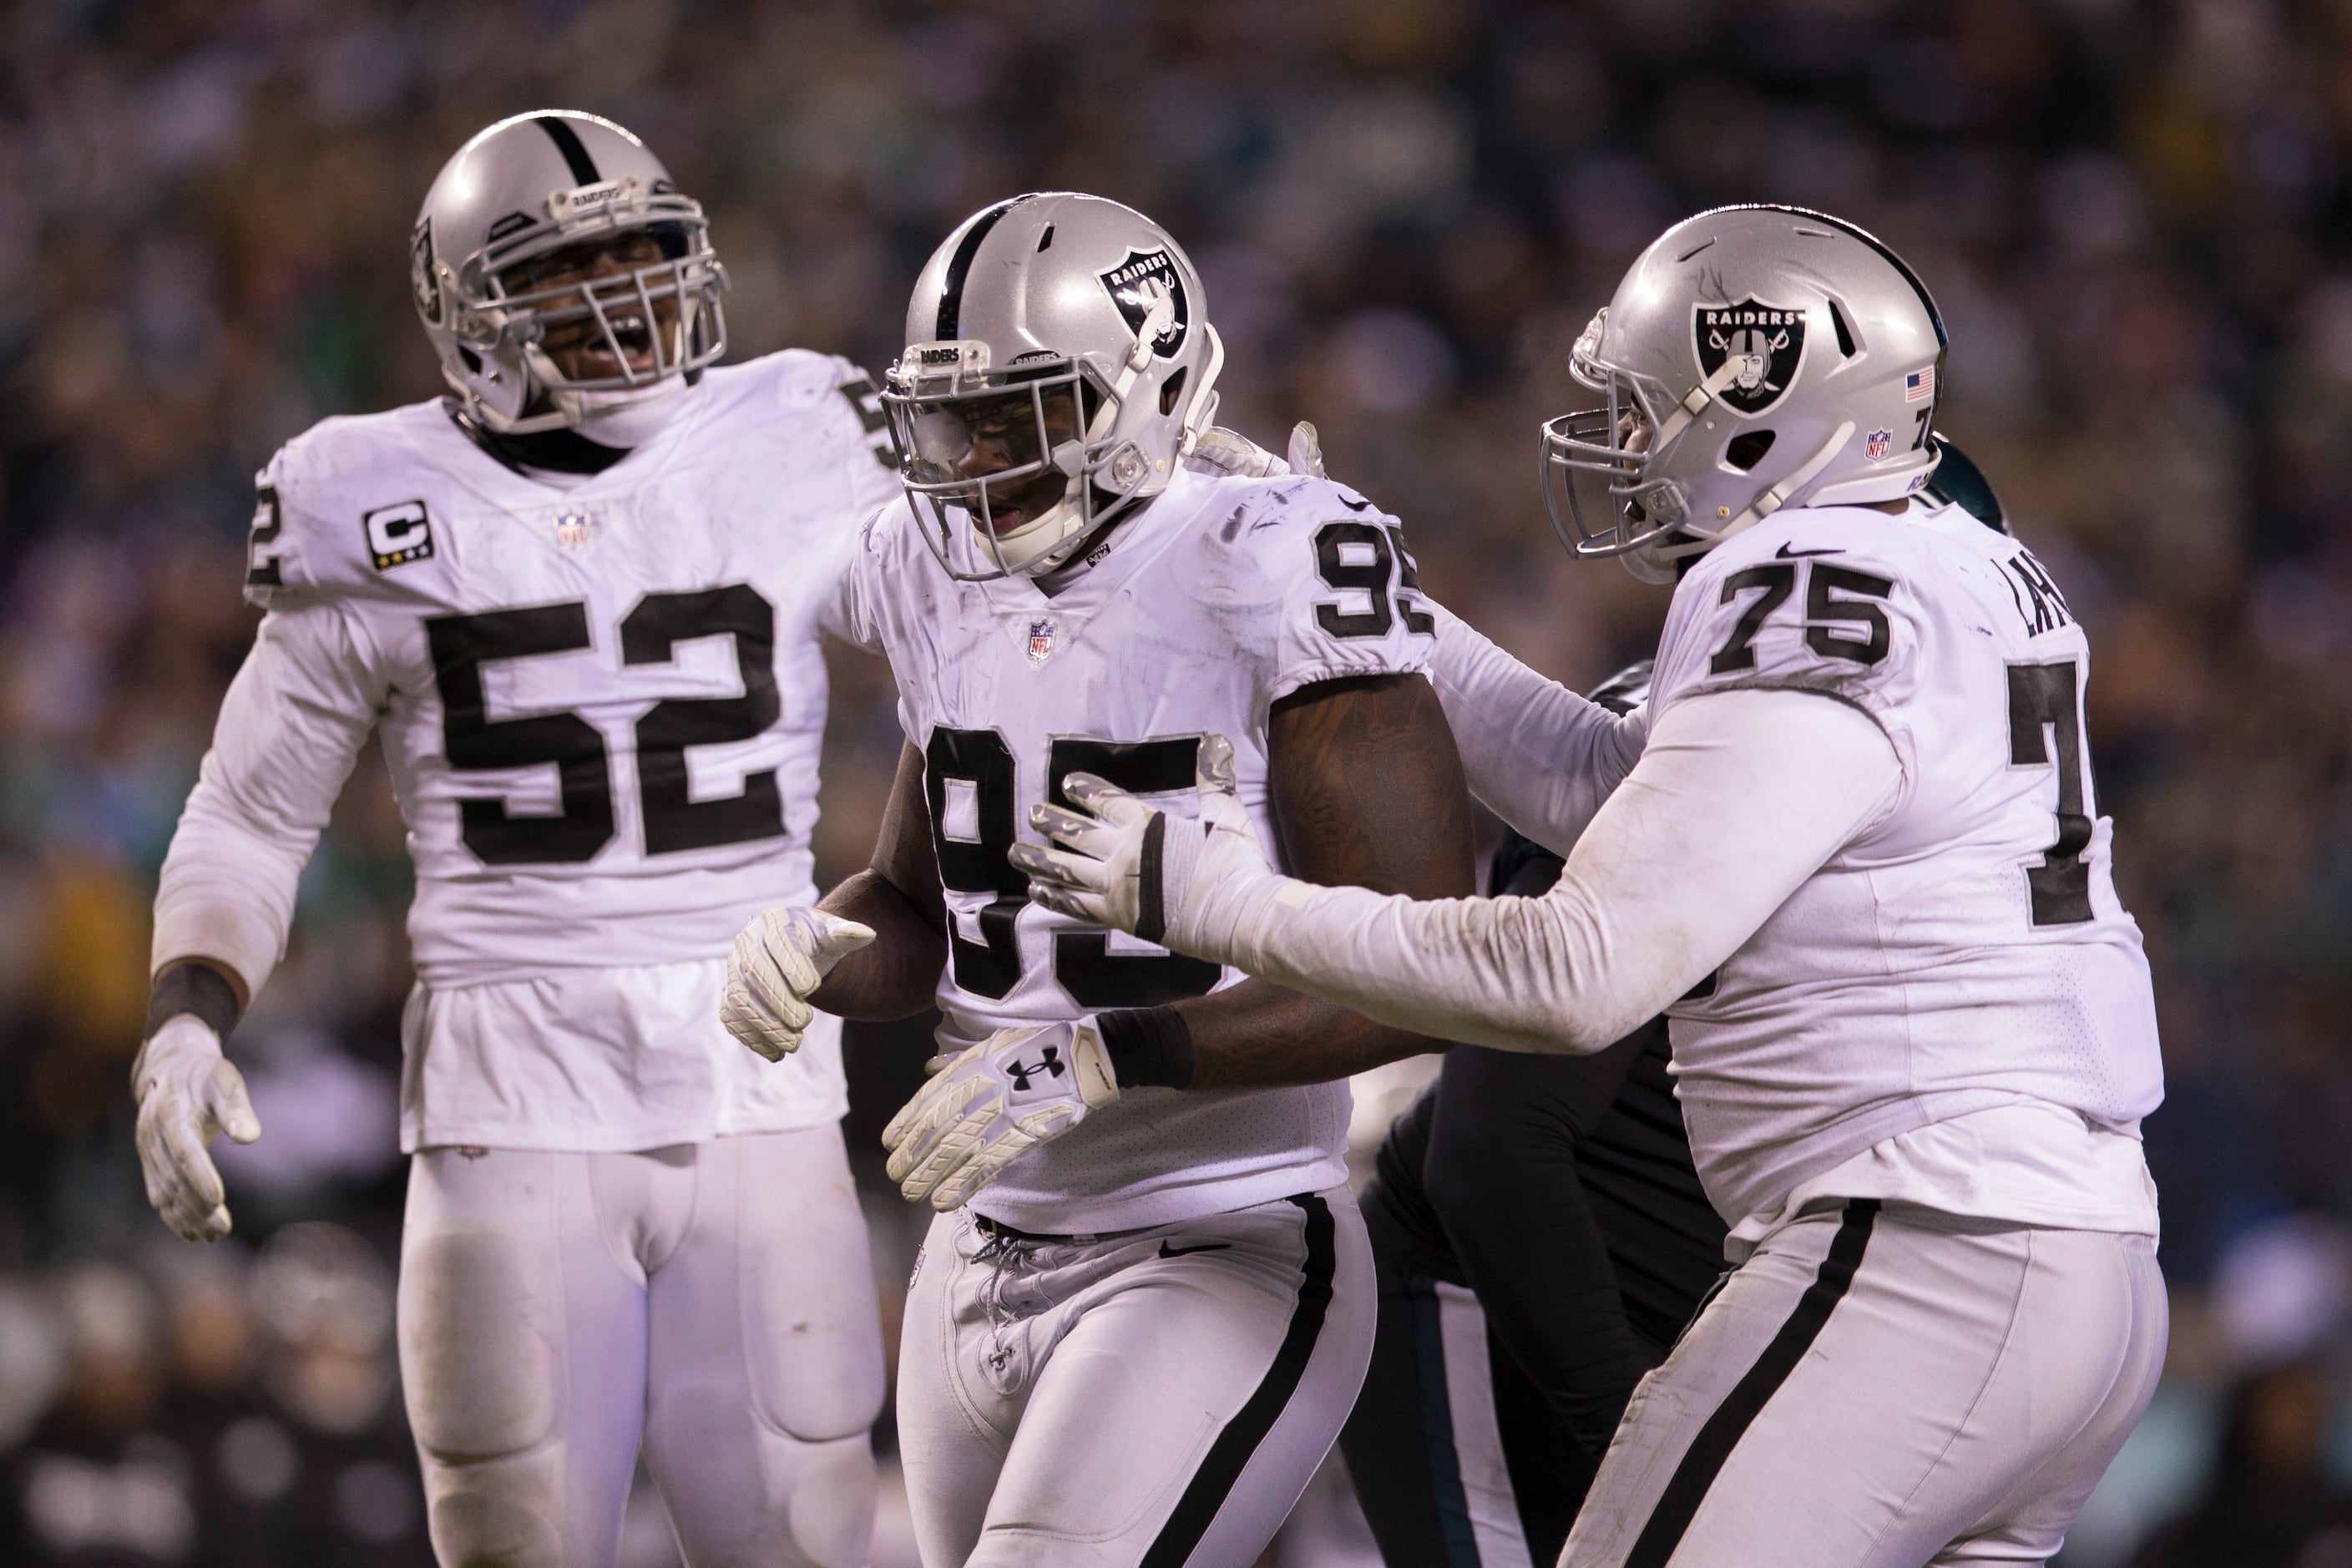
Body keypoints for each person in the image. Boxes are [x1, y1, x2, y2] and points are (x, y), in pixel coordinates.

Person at [1016, 204, 2168, 1566]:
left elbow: (1574, 974)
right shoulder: (1959, 560)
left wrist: (1214, 899)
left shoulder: (1797, 577)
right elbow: (1622, 799)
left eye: (1644, 408)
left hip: (1921, 1249)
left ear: (1761, 406)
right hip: (2081, 1260)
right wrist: (1356, 593)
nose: (1623, 444)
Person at [130, 110, 902, 1567]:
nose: (626, 303)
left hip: (760, 1065)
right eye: (570, 273)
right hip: (508, 1085)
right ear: (466, 315)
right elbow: (251, 805)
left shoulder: (797, 428)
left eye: (644, 258)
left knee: (805, 1538)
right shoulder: (364, 488)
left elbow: (991, 632)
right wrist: (184, 1013)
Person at [720, 188, 1517, 1568]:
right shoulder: (930, 560)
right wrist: (816, 943)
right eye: (958, 414)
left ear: (1144, 383)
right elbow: (922, 908)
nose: (982, 454)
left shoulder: (1268, 553)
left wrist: (1103, 1054)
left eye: (1027, 408)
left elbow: (1426, 967)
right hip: (975, 1244)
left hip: (1218, 1228)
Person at [1339, 671, 1727, 1568]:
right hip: (1504, 1310)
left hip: (1698, 1333)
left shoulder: (1954, 795)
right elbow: (1487, 1155)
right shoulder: (1692, 751)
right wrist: (1646, 1455)